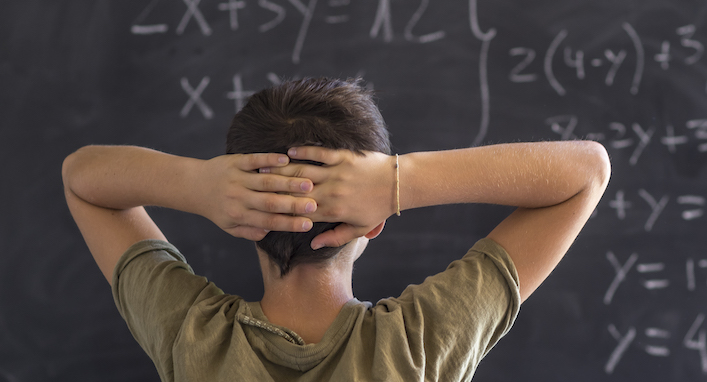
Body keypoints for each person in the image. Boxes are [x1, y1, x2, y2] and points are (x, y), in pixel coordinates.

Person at [62, 77, 610, 381]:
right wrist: (399, 181)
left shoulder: (194, 337)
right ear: (372, 225)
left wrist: (196, 185)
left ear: (242, 221)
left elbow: (82, 178)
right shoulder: (419, 348)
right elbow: (587, 172)